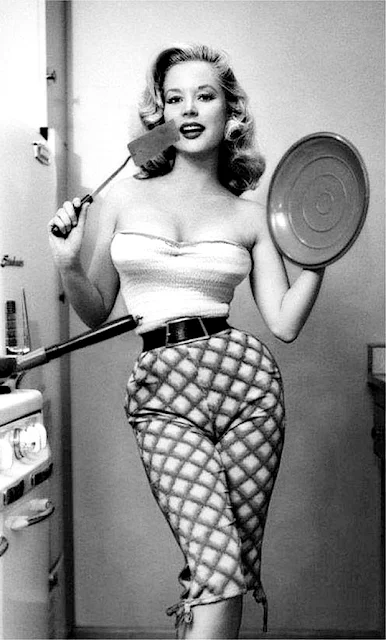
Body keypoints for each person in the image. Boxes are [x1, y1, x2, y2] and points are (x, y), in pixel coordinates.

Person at [48, 43, 325, 640]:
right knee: (217, 564)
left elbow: (283, 322)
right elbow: (95, 311)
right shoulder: (121, 198)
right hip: (162, 389)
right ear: (162, 117)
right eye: (175, 99)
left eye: (205, 96)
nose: (190, 109)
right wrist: (67, 263)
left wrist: (320, 254)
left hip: (248, 388)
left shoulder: (250, 215)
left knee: (227, 565)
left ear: (231, 114)